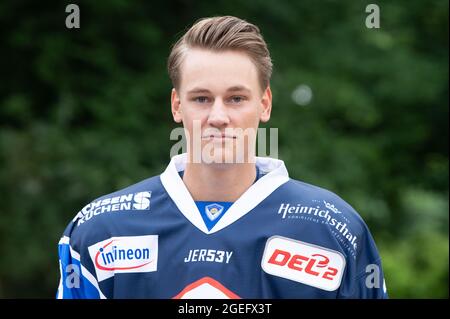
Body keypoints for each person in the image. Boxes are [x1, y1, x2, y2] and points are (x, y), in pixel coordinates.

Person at [57, 16, 388, 299]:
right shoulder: (101, 231)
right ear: (176, 105)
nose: (218, 116)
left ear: (265, 104)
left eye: (236, 98)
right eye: (201, 98)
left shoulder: (332, 230)